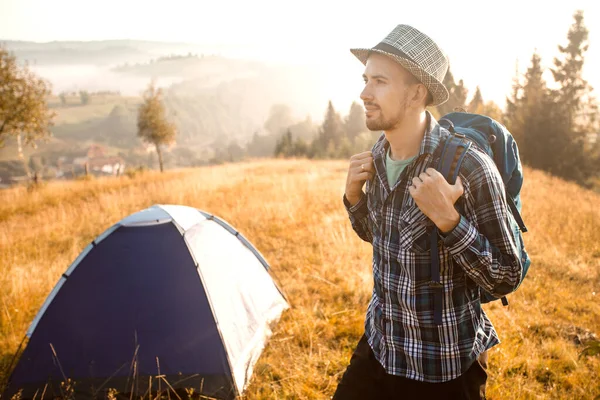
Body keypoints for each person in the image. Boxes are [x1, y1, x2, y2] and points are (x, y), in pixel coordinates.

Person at [334, 24, 523, 400]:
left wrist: (450, 223)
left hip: (443, 367)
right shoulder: (377, 155)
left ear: (417, 93)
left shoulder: (468, 166)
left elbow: (507, 275)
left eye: (380, 82)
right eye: (365, 79)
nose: (364, 93)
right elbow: (383, 238)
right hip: (381, 347)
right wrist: (354, 199)